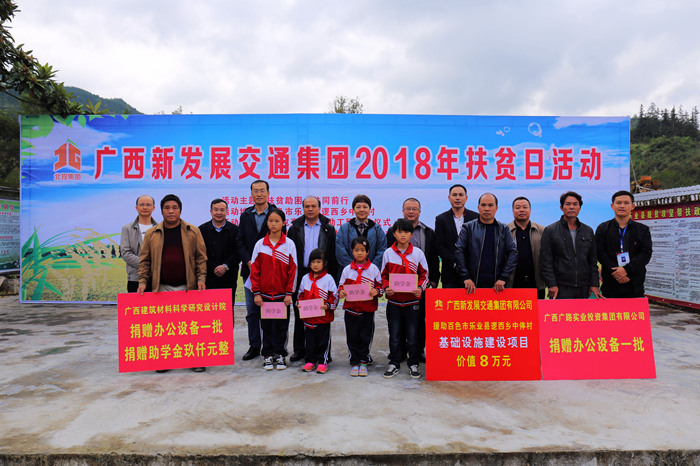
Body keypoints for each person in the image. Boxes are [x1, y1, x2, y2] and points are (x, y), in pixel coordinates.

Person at [137, 194, 207, 373]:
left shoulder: (193, 231)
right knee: (164, 327)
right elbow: (145, 260)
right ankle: (164, 361)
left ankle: (195, 360)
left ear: (180, 210)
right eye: (167, 208)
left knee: (190, 327)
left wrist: (201, 279)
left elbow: (201, 258)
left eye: (174, 207)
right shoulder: (152, 233)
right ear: (161, 211)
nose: (171, 211)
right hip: (162, 286)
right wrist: (143, 281)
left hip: (187, 286)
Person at [386, 197, 438, 361]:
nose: (411, 211)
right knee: (398, 321)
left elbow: (433, 257)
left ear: (419, 212)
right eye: (408, 208)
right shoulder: (391, 231)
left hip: (418, 286)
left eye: (414, 209)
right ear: (403, 211)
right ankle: (399, 352)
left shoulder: (428, 232)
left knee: (418, 320)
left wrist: (433, 280)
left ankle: (417, 351)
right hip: (398, 287)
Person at [237, 180, 284, 361]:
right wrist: (249, 261)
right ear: (251, 194)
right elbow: (240, 241)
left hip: (272, 272)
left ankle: (273, 348)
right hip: (250, 271)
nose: (259, 194)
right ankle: (254, 346)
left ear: (268, 193)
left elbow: (282, 240)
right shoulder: (245, 215)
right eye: (255, 191)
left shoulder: (275, 213)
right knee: (252, 311)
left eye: (262, 190)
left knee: (272, 311)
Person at [287, 196, 337, 363]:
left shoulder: (328, 228)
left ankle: (323, 353)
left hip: (322, 274)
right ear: (303, 208)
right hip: (301, 273)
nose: (310, 209)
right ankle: (300, 350)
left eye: (313, 206)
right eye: (307, 206)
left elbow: (332, 253)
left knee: (322, 315)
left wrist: (331, 276)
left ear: (319, 208)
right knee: (301, 312)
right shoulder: (294, 228)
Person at [246, 208, 297, 371]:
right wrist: (257, 293)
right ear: (267, 223)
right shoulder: (260, 245)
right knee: (266, 326)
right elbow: (255, 271)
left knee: (282, 326)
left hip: (283, 296)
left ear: (284, 223)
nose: (273, 224)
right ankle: (268, 355)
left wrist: (289, 293)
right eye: (270, 221)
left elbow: (293, 271)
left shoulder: (289, 244)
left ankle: (280, 354)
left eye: (277, 221)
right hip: (265, 296)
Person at [381, 218, 429, 380]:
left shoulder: (418, 253)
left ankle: (413, 363)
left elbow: (424, 275)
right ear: (394, 234)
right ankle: (394, 363)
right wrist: (387, 288)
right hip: (394, 302)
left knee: (413, 336)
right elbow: (383, 275)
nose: (403, 235)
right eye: (399, 231)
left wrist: (420, 288)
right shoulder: (388, 253)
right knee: (394, 335)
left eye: (406, 232)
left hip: (412, 303)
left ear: (411, 234)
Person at [540, 191, 603, 300]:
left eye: (575, 204)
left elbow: (592, 261)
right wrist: (551, 284)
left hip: (583, 286)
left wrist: (594, 284)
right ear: (561, 208)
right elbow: (546, 261)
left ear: (579, 208)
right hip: (560, 287)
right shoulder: (550, 231)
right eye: (568, 204)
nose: (571, 207)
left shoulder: (588, 231)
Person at [454, 193, 518, 294]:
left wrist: (503, 278)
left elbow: (513, 253)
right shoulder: (468, 227)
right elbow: (459, 251)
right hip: (471, 286)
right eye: (483, 205)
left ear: (496, 208)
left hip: (497, 286)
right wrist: (466, 277)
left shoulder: (503, 229)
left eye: (490, 205)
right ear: (478, 208)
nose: (487, 209)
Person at [338, 237, 383, 377]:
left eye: (363, 250)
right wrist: (341, 292)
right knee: (352, 337)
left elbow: (380, 287)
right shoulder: (347, 270)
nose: (359, 253)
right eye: (356, 250)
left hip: (367, 311)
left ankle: (364, 361)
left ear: (368, 252)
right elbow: (341, 287)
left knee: (365, 336)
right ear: (352, 251)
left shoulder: (373, 269)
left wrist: (376, 291)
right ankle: (355, 361)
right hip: (351, 310)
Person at [595, 190, 653, 298]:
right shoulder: (603, 228)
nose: (622, 206)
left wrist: (626, 270)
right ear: (612, 206)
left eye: (626, 203)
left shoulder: (642, 229)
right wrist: (617, 273)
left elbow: (645, 254)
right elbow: (600, 253)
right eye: (618, 203)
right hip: (610, 284)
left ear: (633, 206)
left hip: (634, 283)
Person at [296, 248, 338, 374]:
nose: (315, 265)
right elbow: (300, 294)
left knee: (323, 341)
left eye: (318, 262)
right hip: (309, 318)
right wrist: (299, 303)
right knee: (310, 341)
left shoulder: (328, 279)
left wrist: (328, 305)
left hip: (323, 319)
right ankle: (310, 360)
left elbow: (334, 296)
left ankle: (322, 361)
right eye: (313, 262)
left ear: (324, 263)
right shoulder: (305, 278)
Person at [435, 184, 479, 288]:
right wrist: (455, 262)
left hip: (472, 272)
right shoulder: (441, 219)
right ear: (449, 198)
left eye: (461, 195)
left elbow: (479, 243)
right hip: (450, 274)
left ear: (466, 198)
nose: (457, 198)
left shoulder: (476, 218)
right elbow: (439, 245)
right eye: (454, 195)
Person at [199, 198, 240, 307]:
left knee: (227, 309)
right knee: (209, 309)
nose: (219, 213)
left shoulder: (235, 230)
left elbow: (238, 251)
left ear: (227, 211)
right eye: (216, 210)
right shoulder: (201, 230)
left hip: (229, 277)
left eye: (222, 210)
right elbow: (200, 253)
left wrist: (225, 266)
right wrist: (213, 267)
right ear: (211, 211)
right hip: (208, 277)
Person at [336, 194, 387, 276]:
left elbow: (382, 250)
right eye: (358, 207)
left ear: (370, 209)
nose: (362, 210)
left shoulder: (377, 229)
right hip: (349, 274)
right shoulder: (344, 228)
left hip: (371, 274)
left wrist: (371, 269)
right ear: (353, 209)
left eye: (365, 207)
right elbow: (340, 250)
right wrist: (352, 268)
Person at [507, 196, 546, 299]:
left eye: (525, 207)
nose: (521, 210)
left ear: (530, 210)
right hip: (512, 284)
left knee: (536, 309)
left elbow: (548, 258)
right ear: (513, 211)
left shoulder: (542, 231)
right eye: (518, 207)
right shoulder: (505, 231)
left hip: (536, 284)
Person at [120, 195, 157, 293]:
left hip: (156, 279)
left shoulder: (160, 228)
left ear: (153, 208)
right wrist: (146, 265)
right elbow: (126, 253)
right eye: (141, 204)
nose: (145, 207)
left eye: (148, 205)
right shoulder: (127, 229)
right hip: (135, 278)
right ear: (136, 207)